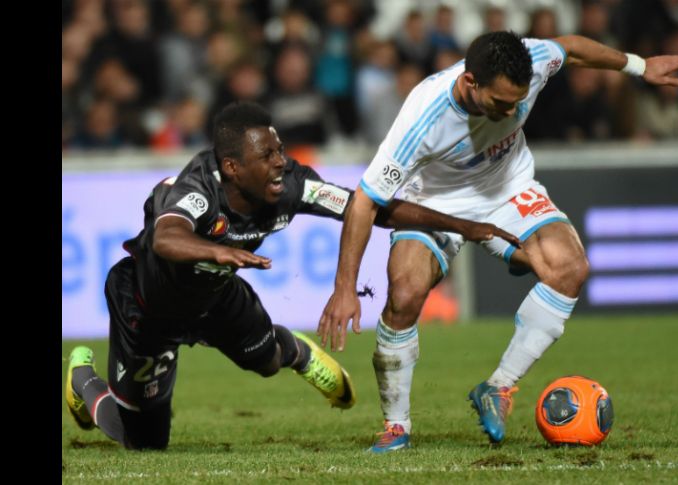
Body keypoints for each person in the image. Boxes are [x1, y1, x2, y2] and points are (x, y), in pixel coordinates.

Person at [318, 31, 678, 452]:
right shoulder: (422, 118)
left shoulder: (532, 61)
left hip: (507, 189)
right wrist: (344, 288)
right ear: (470, 83)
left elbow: (570, 47)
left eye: (518, 102)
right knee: (405, 293)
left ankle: (498, 387)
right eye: (500, 103)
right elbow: (363, 201)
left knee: (570, 268)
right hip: (435, 200)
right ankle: (396, 426)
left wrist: (639, 65)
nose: (511, 111)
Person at [64, 101, 519, 450]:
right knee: (145, 443)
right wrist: (218, 251)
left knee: (265, 363)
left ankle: (299, 353)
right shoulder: (196, 191)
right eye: (268, 154)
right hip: (147, 307)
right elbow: (166, 239)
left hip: (216, 297)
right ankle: (83, 381)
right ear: (232, 168)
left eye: (280, 148)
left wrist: (459, 224)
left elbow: (367, 208)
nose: (281, 161)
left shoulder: (290, 185)